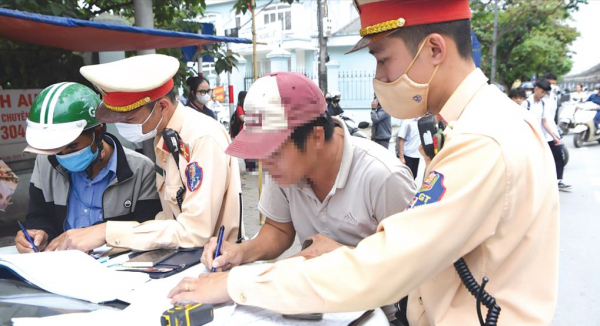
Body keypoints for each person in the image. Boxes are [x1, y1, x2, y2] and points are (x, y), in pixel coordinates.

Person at [168, 2, 559, 325]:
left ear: (435, 50)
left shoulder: (482, 140)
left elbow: (387, 265)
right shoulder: (482, 124)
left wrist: (238, 284)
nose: (380, 78)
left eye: (383, 60)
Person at [200, 72, 416, 322]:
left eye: (273, 154)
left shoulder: (383, 176)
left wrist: (344, 256)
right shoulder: (287, 169)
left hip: (379, 314)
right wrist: (241, 251)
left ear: (315, 137)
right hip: (312, 306)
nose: (265, 165)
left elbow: (412, 265)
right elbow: (278, 230)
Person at [40, 54, 244, 252]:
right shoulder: (165, 136)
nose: (122, 128)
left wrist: (107, 232)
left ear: (162, 106)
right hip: (185, 257)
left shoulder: (201, 138)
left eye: (129, 120)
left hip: (214, 262)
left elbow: (194, 231)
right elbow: (169, 218)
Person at [15, 82, 161, 253]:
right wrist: (39, 234)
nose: (64, 155)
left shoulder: (141, 170)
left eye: (72, 146)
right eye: (56, 149)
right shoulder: (45, 163)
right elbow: (39, 215)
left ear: (98, 133)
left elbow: (150, 230)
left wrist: (103, 233)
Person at [524, 79, 571, 191]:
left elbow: (544, 122)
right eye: (542, 92)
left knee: (558, 154)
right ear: (536, 89)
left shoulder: (543, 103)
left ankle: (558, 180)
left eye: (546, 93)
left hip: (543, 136)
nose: (544, 94)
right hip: (531, 137)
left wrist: (554, 137)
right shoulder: (527, 103)